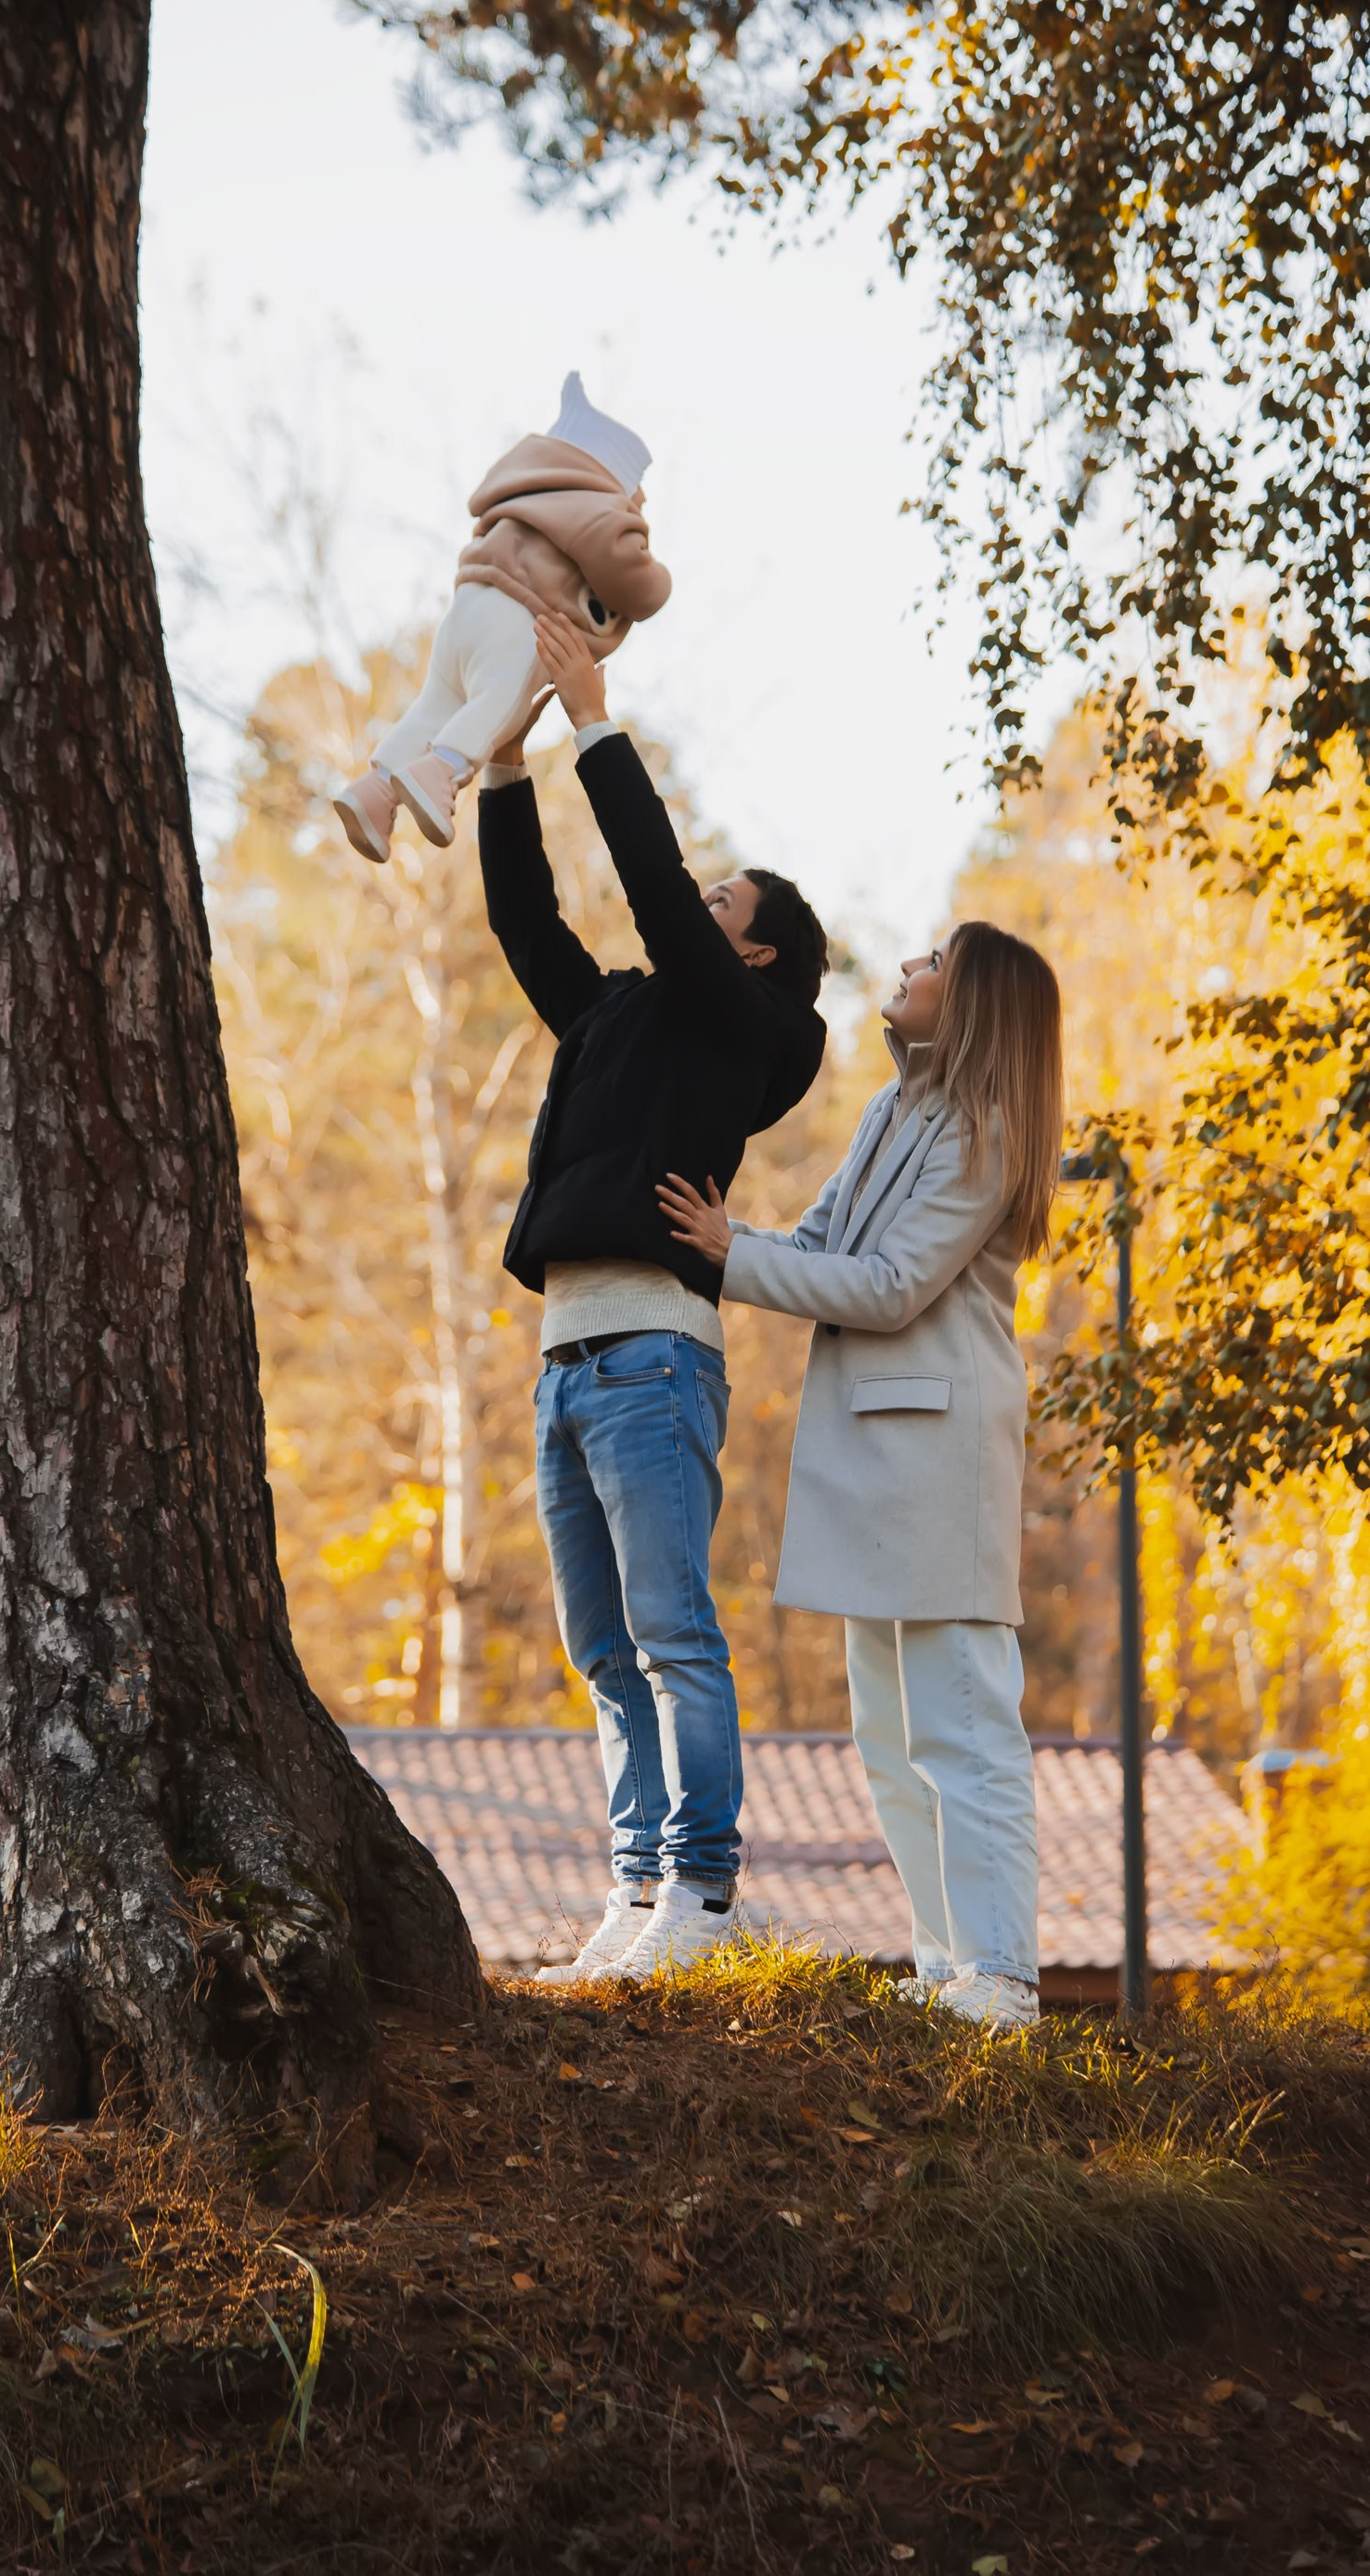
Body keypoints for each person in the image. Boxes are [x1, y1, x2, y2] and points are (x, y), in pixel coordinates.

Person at [481, 608, 828, 1984]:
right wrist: (508, 768)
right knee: (602, 1652)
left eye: (725, 906)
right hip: (567, 1360)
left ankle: (706, 1889)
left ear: (753, 952)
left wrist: (595, 720)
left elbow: (652, 891)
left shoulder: (762, 1030)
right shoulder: (621, 1015)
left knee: (674, 1634)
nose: (704, 911)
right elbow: (527, 919)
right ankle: (637, 1894)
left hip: (656, 1358)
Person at [657, 920, 1066, 2028]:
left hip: (937, 1455)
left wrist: (729, 1254)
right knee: (889, 1736)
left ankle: (1002, 1977)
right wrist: (735, 1239)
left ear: (972, 1000)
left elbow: (885, 1286)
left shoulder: (984, 1130)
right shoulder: (891, 1112)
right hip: (867, 1453)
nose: (909, 966)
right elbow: (822, 1237)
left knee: (961, 1724)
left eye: (932, 960)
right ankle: (946, 1971)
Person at [333, 374, 671, 863]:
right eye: (636, 486)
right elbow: (636, 583)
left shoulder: (519, 486)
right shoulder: (597, 503)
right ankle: (444, 769)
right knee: (501, 700)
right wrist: (657, 572)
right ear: (611, 470)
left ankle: (377, 787)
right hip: (520, 616)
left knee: (437, 702)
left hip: (466, 608)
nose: (640, 500)